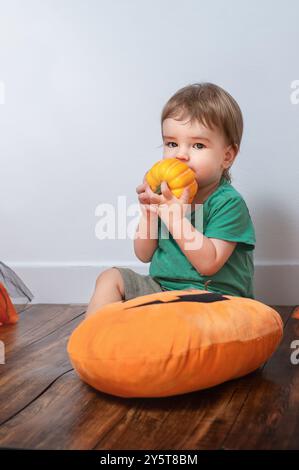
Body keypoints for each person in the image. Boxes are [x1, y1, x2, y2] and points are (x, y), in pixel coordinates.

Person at [85, 82, 256, 318]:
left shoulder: (227, 203)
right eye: (172, 143)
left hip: (211, 297)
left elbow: (208, 264)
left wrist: (175, 219)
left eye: (198, 145)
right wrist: (149, 214)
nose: (181, 154)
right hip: (162, 292)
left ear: (227, 156)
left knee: (194, 311)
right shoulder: (166, 196)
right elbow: (144, 254)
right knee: (110, 278)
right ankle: (95, 339)